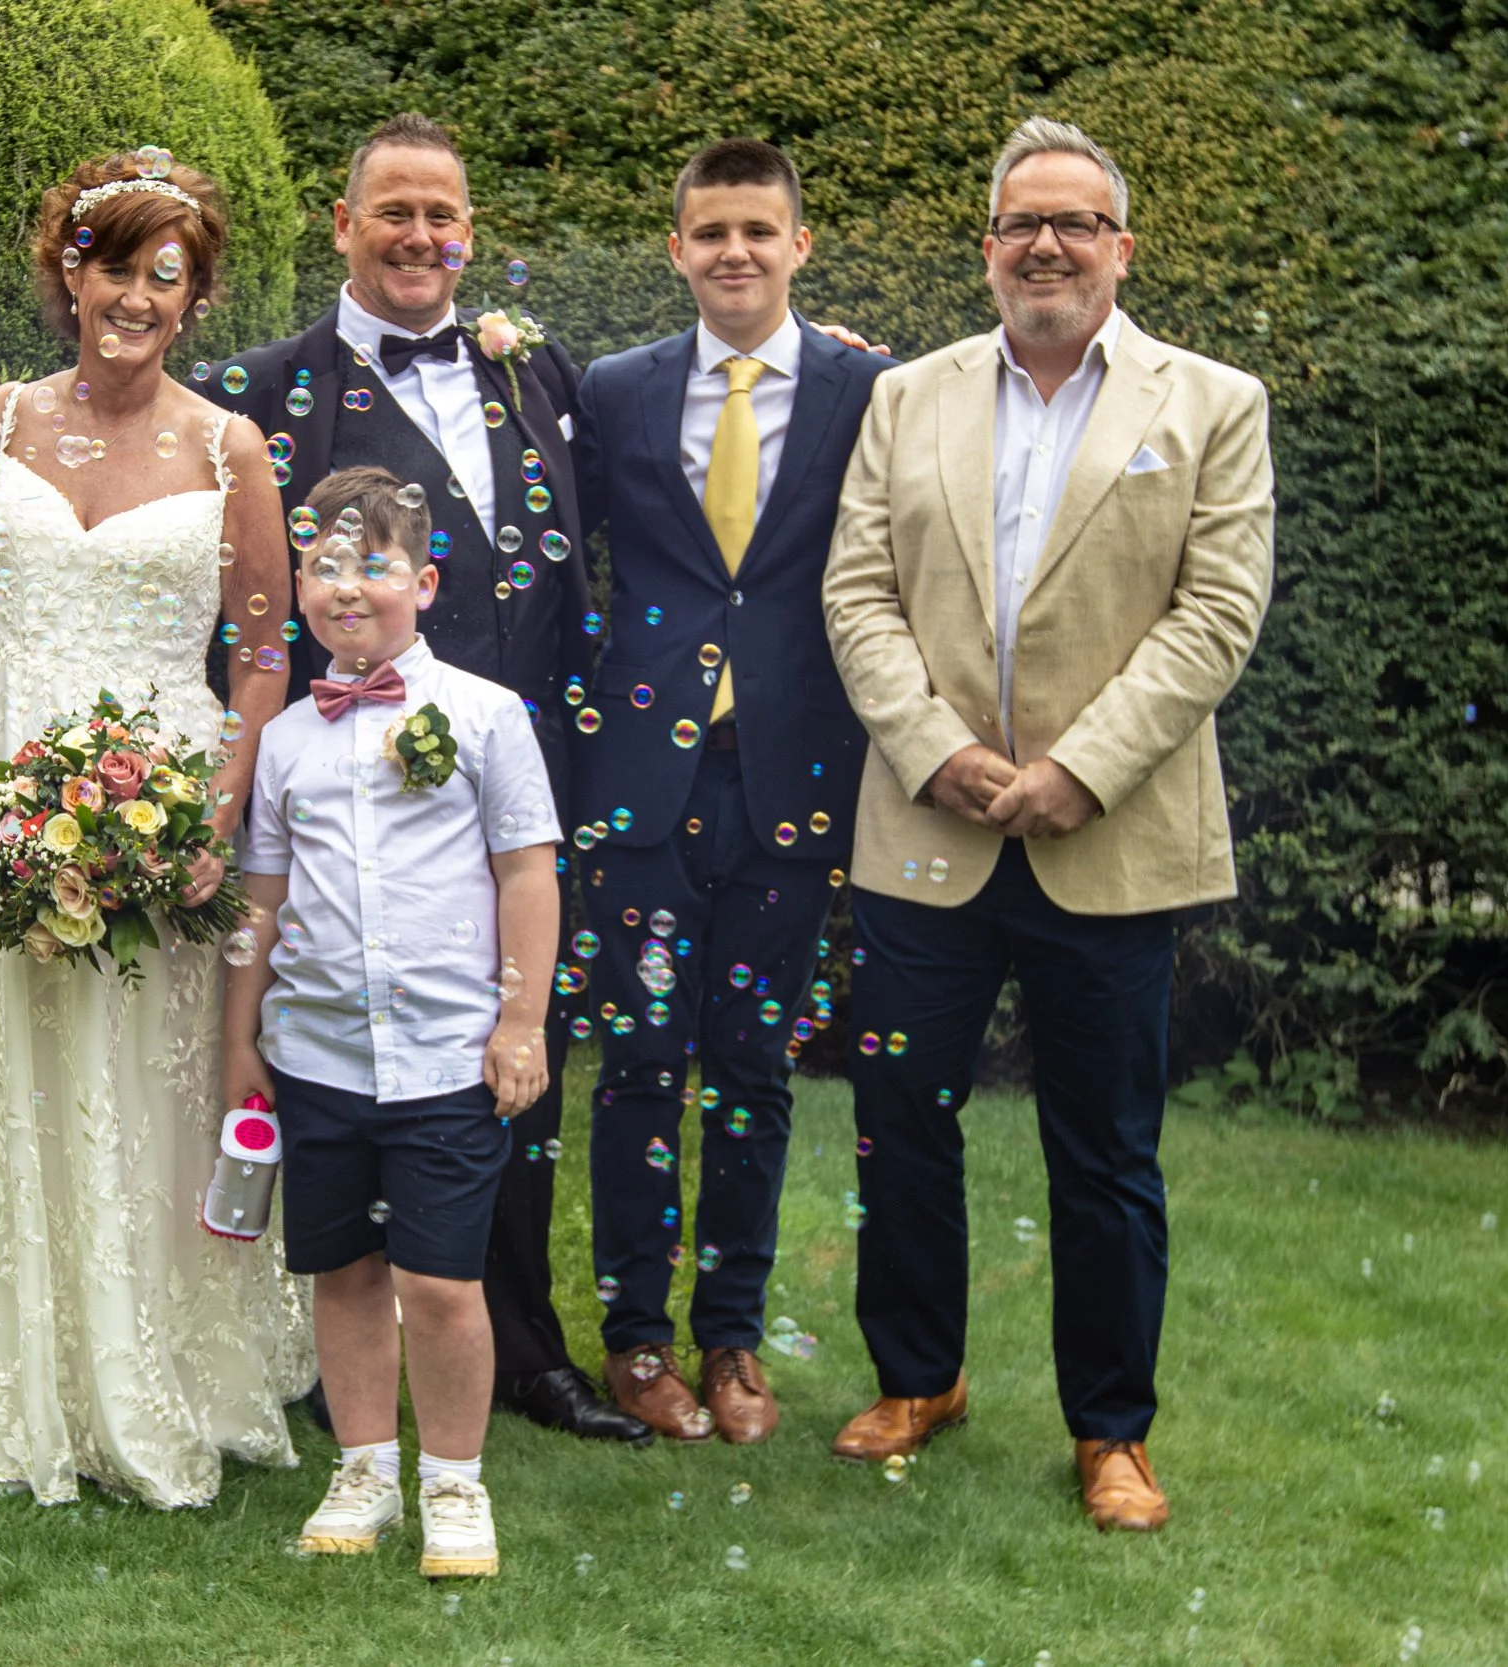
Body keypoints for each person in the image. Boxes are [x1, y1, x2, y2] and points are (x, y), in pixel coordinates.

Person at [821, 117, 1273, 1532]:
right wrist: (938, 746)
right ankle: (920, 1372)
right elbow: (857, 592)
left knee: (1106, 1148)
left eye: (1077, 222)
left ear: (1122, 247)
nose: (1049, 245)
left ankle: (1112, 1429)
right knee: (899, 1119)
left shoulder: (1211, 401)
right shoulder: (910, 398)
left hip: (1110, 837)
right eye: (1023, 223)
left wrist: (1081, 768)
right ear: (988, 247)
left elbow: (1218, 612)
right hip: (925, 825)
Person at [207, 112, 647, 1449]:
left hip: (512, 786)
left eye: (440, 213)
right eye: (389, 211)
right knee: (332, 1068)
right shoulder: (265, 393)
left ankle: (520, 1346)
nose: (417, 235)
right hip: (335, 783)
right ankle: (323, 1348)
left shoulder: (539, 371)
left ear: (471, 231)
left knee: (514, 1058)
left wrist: (836, 370)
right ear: (342, 227)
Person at [0, 150, 310, 1508]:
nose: (134, 294)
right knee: (14, 1074)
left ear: (193, 293)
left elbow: (263, 652)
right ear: (67, 276)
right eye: (111, 264)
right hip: (0, 783)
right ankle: (21, 1388)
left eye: (167, 271)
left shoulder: (229, 447)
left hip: (169, 797)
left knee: (151, 1085)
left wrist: (220, 800)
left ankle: (165, 1377)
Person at [568, 140, 894, 1444]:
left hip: (791, 787)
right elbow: (551, 550)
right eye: (711, 233)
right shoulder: (616, 390)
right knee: (640, 1064)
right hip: (643, 783)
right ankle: (638, 1339)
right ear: (677, 248)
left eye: (759, 231)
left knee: (755, 1074)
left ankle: (734, 1337)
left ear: (800, 245)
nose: (735, 253)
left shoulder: (869, 389)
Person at [223, 466, 563, 1579]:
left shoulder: (483, 715)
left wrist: (520, 1020)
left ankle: (455, 1482)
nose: (345, 588)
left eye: (371, 565)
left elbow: (525, 873)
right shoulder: (285, 741)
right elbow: (260, 902)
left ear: (422, 579)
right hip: (317, 1050)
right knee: (344, 1270)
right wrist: (243, 1043)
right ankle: (364, 1463)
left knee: (438, 1279)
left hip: (444, 1054)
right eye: (323, 567)